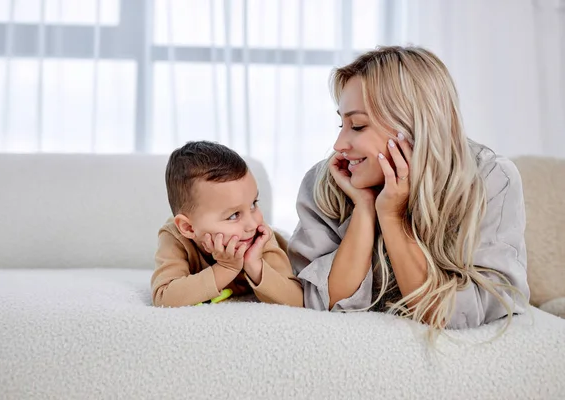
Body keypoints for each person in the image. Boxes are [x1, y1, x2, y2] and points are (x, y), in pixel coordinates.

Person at [288, 46, 529, 330]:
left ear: (413, 126)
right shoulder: (327, 182)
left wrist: (392, 216)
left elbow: (467, 313)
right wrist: (365, 209)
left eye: (357, 126)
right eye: (341, 123)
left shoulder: (490, 179)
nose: (339, 144)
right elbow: (319, 304)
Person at [151, 140, 303, 308]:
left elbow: (297, 300)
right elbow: (164, 297)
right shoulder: (175, 237)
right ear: (188, 228)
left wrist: (254, 265)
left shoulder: (259, 236)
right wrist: (226, 268)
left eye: (253, 204)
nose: (252, 223)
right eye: (233, 216)